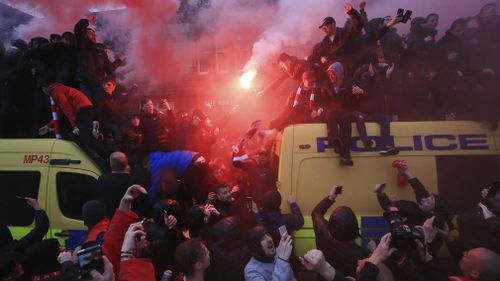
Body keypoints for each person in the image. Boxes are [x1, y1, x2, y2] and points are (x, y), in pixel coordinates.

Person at [311, 186, 370, 277]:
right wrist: (374, 252)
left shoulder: (322, 232)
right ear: (355, 229)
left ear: (330, 227)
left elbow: (316, 212)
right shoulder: (361, 256)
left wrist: (331, 197)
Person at [308, 3, 363, 70]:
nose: (324, 29)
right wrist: (321, 59)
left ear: (333, 24)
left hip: (350, 69)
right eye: (323, 28)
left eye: (326, 26)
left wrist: (352, 12)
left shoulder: (345, 33)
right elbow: (316, 55)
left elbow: (358, 25)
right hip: (334, 74)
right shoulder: (325, 42)